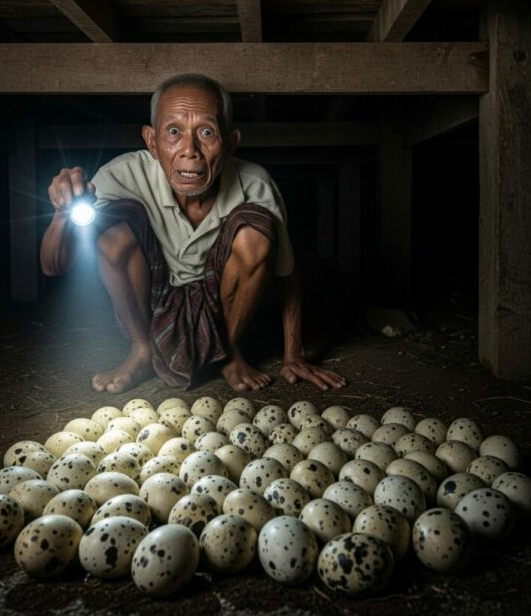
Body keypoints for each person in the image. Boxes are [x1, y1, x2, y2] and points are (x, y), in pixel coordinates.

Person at [40, 73, 345, 395]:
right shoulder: (119, 177)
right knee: (110, 227)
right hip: (151, 302)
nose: (190, 150)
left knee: (256, 229)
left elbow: (287, 273)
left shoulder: (255, 184)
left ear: (229, 143)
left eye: (206, 132)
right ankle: (142, 350)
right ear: (152, 142)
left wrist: (293, 353)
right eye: (173, 132)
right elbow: (53, 266)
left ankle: (229, 352)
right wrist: (61, 213)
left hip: (224, 306)